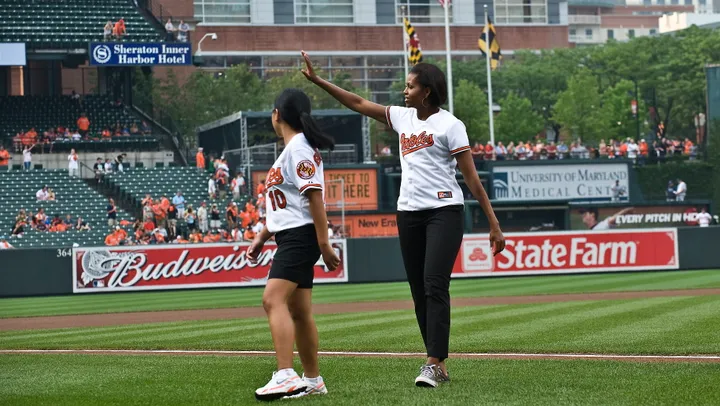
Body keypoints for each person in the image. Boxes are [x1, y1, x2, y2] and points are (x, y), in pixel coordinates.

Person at [301, 51, 505, 388]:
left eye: (410, 86)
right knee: (418, 291)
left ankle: (433, 362)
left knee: (434, 284)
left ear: (427, 91)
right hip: (408, 212)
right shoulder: (401, 118)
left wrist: (493, 224)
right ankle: (437, 361)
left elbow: (472, 179)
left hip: (444, 211)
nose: (404, 91)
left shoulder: (451, 125)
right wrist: (318, 80)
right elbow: (356, 102)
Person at [247, 88, 340, 401]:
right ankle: (312, 379)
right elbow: (286, 206)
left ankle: (286, 374)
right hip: (293, 234)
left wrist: (324, 243)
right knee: (299, 311)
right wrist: (262, 237)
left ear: (277, 115)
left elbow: (314, 197)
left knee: (272, 300)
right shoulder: (293, 149)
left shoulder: (298, 147)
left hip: (301, 237)